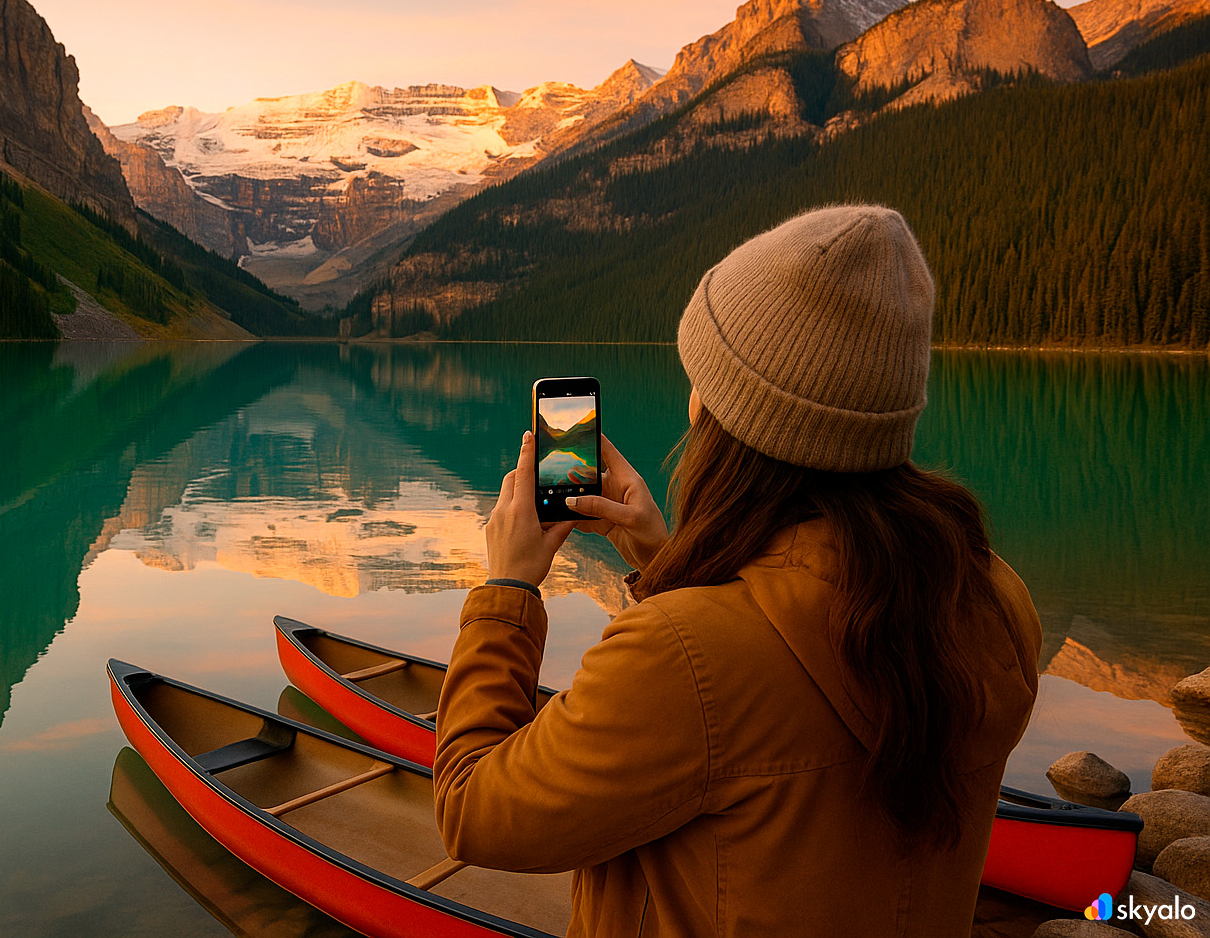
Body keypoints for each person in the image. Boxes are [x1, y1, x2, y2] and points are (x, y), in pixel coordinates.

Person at [433, 206, 1043, 938]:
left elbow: (473, 811)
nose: (691, 403)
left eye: (702, 379)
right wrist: (666, 558)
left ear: (731, 416)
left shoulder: (682, 658)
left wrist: (508, 591)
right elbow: (769, 689)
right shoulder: (992, 596)